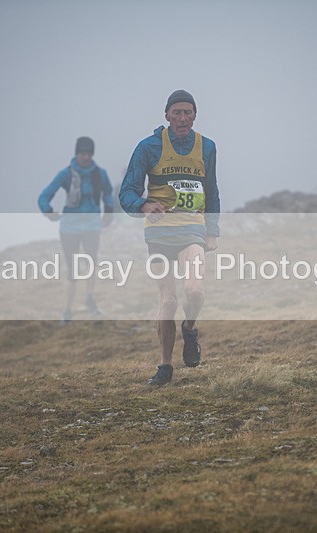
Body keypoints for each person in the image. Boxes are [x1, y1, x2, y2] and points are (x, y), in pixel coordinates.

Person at [119, 90, 221, 385]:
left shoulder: (207, 147)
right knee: (168, 301)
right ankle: (165, 366)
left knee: (194, 292)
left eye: (188, 112)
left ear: (195, 115)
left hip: (192, 230)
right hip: (160, 233)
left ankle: (189, 329)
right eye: (176, 112)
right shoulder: (148, 147)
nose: (182, 118)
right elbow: (127, 190)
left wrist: (212, 230)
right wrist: (143, 205)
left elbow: (212, 191)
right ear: (166, 116)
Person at [39, 136, 114, 323]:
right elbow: (44, 196)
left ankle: (89, 298)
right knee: (73, 269)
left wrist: (109, 211)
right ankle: (67, 310)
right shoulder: (66, 174)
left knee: (91, 263)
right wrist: (49, 212)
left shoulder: (100, 174)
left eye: (89, 153)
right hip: (69, 228)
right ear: (77, 153)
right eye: (82, 153)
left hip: (91, 226)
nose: (86, 157)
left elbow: (108, 193)